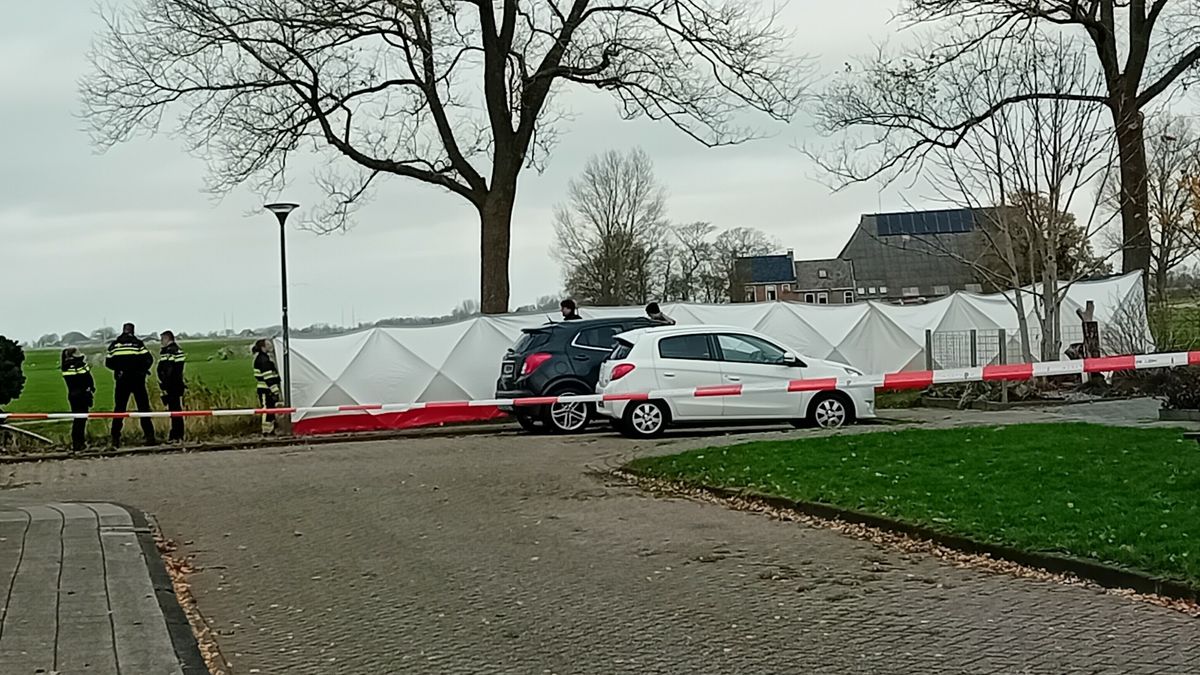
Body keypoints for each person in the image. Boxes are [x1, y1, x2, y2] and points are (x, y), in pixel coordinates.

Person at [105, 323, 157, 447]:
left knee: (119, 410)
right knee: (143, 409)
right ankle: (150, 438)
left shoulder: (115, 345)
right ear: (133, 331)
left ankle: (115, 439)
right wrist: (141, 371)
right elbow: (149, 359)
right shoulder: (137, 344)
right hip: (137, 380)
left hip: (122, 380)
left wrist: (119, 370)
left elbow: (108, 362)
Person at [60, 348, 94, 453]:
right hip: (82, 395)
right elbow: (87, 378)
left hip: (72, 395)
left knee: (77, 420)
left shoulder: (65, 367)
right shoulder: (80, 365)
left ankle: (76, 443)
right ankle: (80, 443)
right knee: (81, 420)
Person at [157, 331, 187, 443]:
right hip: (177, 384)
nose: (161, 342)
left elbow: (168, 369)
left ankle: (176, 435)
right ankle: (178, 434)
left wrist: (164, 383)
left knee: (175, 410)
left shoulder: (169, 352)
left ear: (167, 338)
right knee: (176, 409)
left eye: (162, 339)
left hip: (172, 385)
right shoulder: (177, 350)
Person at [252, 339, 283, 435]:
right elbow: (268, 377)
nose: (271, 346)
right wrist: (275, 390)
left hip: (266, 389)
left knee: (270, 409)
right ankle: (266, 431)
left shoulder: (262, 358)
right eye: (268, 345)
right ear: (263, 347)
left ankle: (270, 429)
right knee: (266, 410)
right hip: (266, 389)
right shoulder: (263, 360)